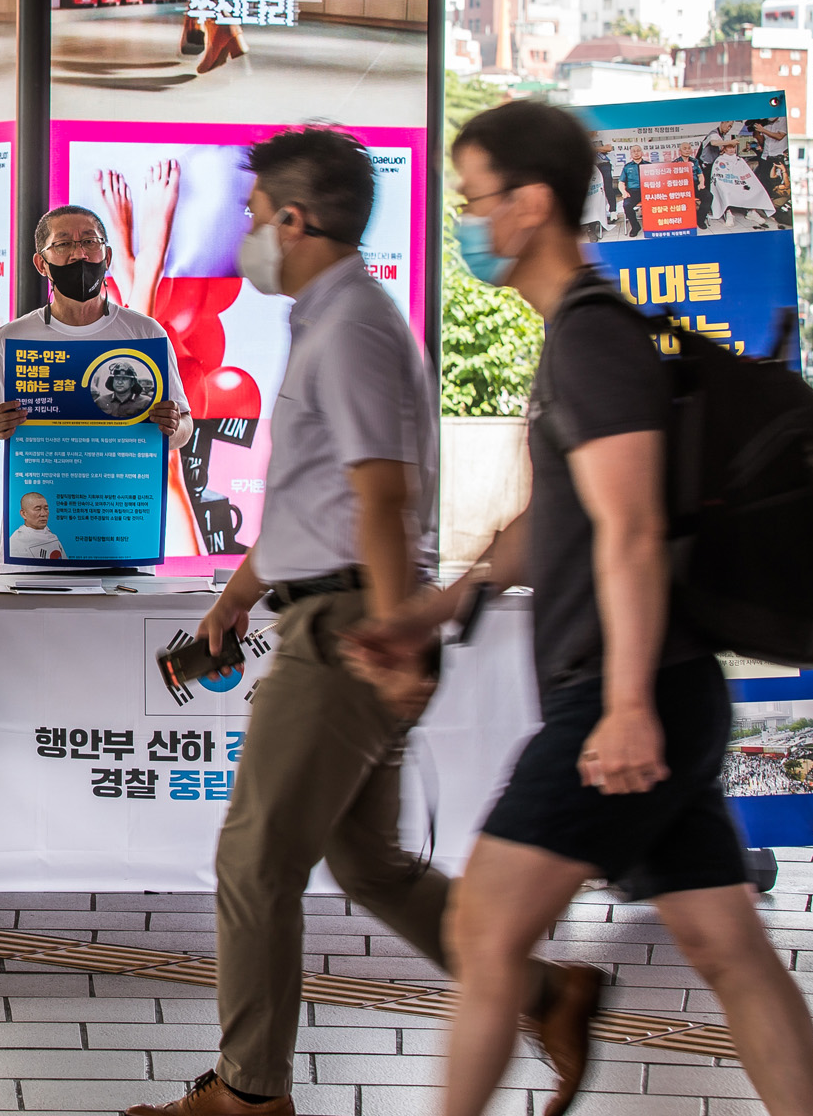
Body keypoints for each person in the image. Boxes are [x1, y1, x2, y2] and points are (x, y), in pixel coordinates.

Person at [354, 98, 813, 1116]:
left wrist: (620, 707)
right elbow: (555, 520)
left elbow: (627, 529)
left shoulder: (591, 339)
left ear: (528, 205)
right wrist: (438, 604)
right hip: (659, 687)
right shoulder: (579, 339)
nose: (465, 220)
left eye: (473, 197)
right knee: (725, 946)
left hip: (624, 694)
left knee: (482, 931)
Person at [121, 125, 597, 1116]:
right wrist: (239, 594)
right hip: (331, 605)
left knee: (252, 861)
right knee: (368, 862)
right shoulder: (329, 320)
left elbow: (377, 499)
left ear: (294, 220)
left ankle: (249, 1095)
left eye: (253, 219)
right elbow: (319, 500)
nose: (246, 236)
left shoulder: (349, 327)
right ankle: (548, 994)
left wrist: (391, 638)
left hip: (344, 628)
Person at [0, 205, 192, 474]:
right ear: (41, 264)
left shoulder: (146, 333)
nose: (79, 254)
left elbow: (184, 427)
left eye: (89, 241)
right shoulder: (12, 339)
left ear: (107, 256)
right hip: (38, 506)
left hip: (120, 504)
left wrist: (173, 427)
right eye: (62, 245)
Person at [8, 492, 65, 559]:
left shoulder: (52, 536)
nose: (43, 514)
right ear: (24, 514)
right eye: (38, 509)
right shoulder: (16, 542)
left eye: (46, 509)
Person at [620, 144, 646, 236]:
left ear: (642, 152)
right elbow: (621, 183)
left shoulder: (649, 165)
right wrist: (624, 192)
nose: (636, 153)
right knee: (627, 205)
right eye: (633, 151)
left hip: (647, 190)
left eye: (638, 150)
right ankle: (635, 226)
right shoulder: (627, 167)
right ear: (631, 154)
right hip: (633, 191)